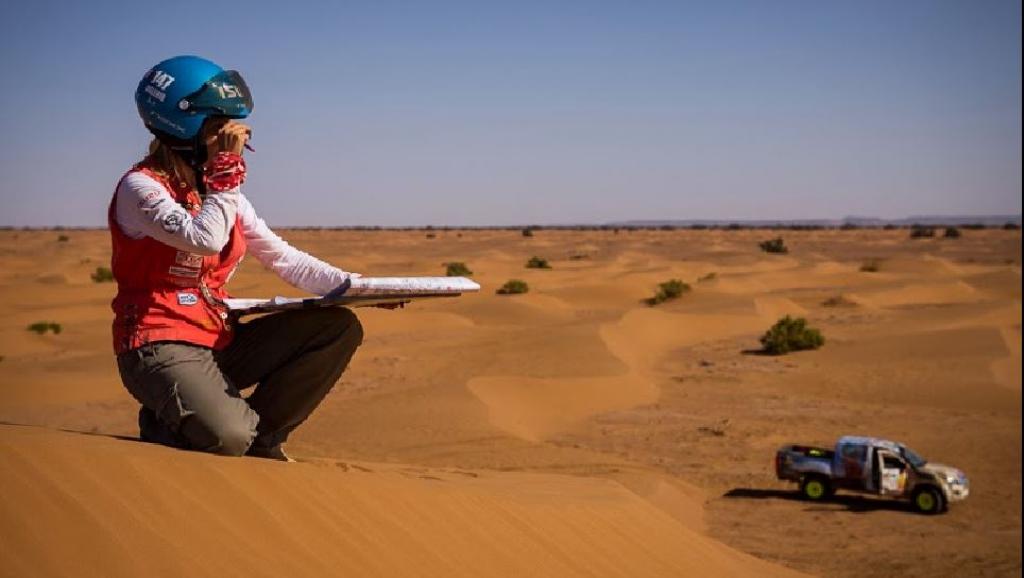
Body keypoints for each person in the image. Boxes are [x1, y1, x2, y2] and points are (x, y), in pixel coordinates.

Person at [110, 55, 374, 462]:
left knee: (337, 328)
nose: (234, 139)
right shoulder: (140, 189)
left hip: (217, 338)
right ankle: (183, 424)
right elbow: (205, 239)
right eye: (220, 128)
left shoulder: (219, 193)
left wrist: (359, 288)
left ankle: (260, 440)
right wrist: (226, 174)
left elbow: (282, 257)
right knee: (230, 438)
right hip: (159, 343)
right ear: (182, 126)